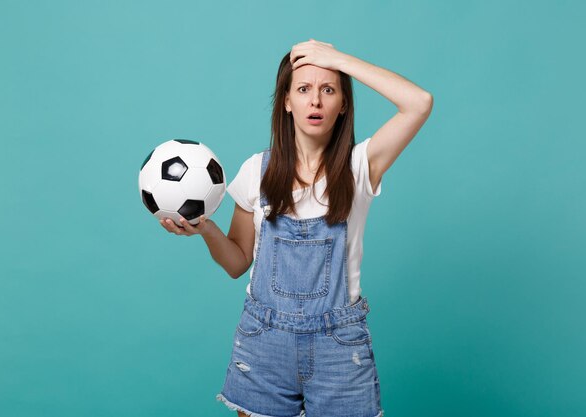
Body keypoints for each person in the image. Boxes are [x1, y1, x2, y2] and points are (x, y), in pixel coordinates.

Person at [160, 38, 433, 417]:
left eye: (328, 90)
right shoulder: (257, 171)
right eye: (303, 89)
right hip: (264, 344)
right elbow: (238, 263)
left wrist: (338, 59)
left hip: (338, 348)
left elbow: (418, 103)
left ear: (343, 105)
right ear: (287, 102)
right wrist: (205, 229)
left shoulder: (359, 168)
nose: (315, 101)